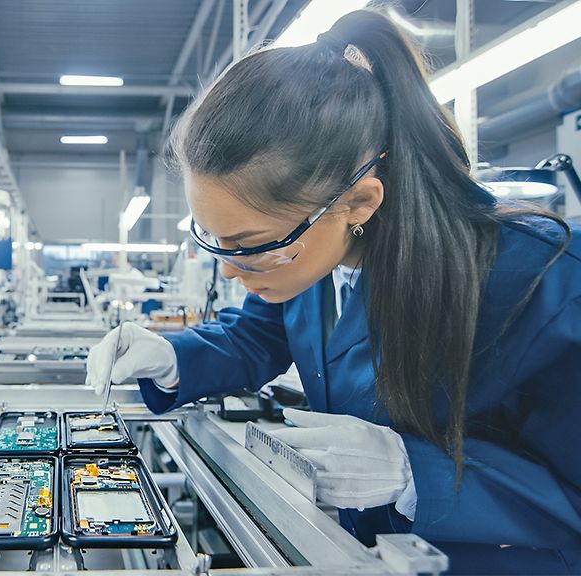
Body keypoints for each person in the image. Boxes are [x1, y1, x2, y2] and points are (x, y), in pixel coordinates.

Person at [86, 10, 580, 575]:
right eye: (214, 239)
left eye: (249, 244)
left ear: (360, 203)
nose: (228, 269)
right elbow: (255, 335)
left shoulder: (545, 280)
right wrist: (171, 357)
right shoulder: (310, 256)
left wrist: (416, 473)